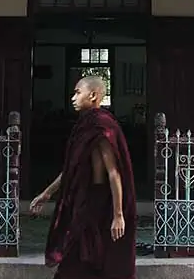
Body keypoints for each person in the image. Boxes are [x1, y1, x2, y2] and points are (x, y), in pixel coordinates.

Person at [29, 76, 137, 279]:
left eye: (78, 92)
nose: (73, 98)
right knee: (80, 259)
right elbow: (72, 168)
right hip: (84, 203)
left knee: (86, 261)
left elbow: (114, 173)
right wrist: (46, 194)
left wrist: (118, 214)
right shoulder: (85, 125)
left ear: (93, 95)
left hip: (98, 206)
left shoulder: (101, 126)